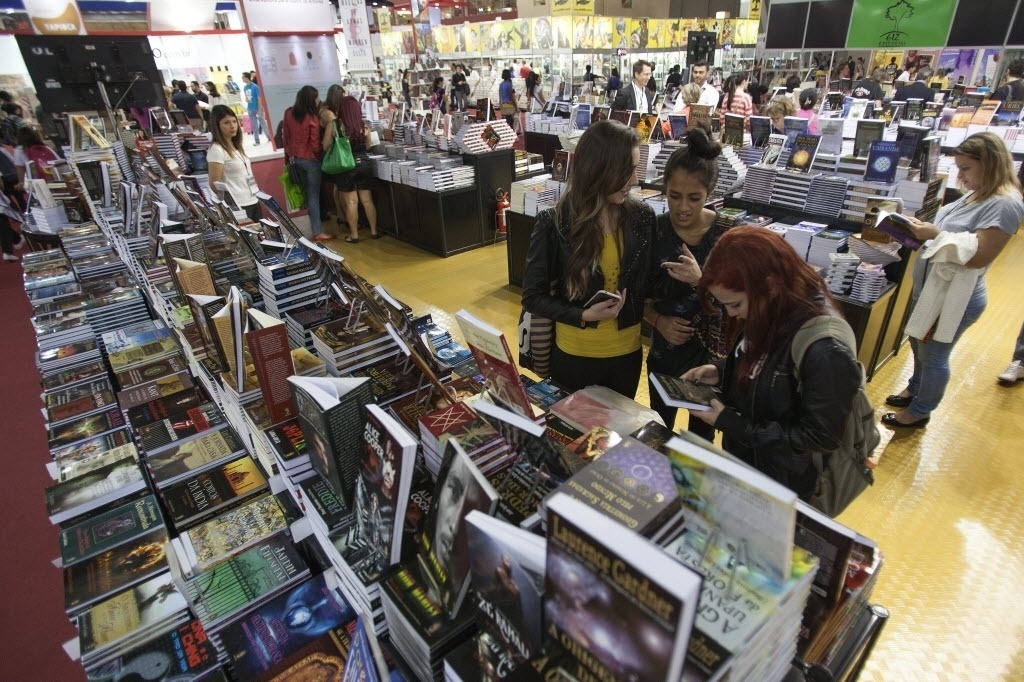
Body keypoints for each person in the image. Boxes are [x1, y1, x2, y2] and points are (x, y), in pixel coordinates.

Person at [682, 227, 862, 499]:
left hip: (785, 484)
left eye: (735, 305)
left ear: (770, 284)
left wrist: (734, 425)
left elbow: (820, 436)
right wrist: (721, 370)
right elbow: (762, 360)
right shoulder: (769, 306)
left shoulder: (825, 349)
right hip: (748, 465)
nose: (731, 314)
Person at [882, 132, 1024, 427]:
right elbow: (954, 232)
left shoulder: (1006, 204)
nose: (961, 175)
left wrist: (935, 235)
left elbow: (979, 256)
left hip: (953, 296)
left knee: (934, 355)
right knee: (919, 344)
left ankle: (920, 411)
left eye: (966, 168)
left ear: (989, 163)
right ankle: (916, 388)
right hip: (932, 288)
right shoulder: (979, 191)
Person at [521, 120, 656, 398]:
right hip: (573, 357)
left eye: (635, 169)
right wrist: (583, 315)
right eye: (626, 171)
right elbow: (532, 297)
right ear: (598, 170)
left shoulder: (643, 218)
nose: (634, 181)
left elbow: (650, 285)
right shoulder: (554, 222)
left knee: (619, 426)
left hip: (626, 357)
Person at [646, 126, 727, 438]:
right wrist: (658, 320)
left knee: (700, 440)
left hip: (712, 361)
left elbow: (743, 304)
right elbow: (633, 293)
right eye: (674, 196)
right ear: (664, 188)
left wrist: (701, 281)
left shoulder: (727, 235)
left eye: (694, 198)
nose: (682, 208)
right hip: (664, 352)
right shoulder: (654, 229)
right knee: (658, 429)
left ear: (710, 194)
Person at [327, 95, 380, 244]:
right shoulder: (363, 125)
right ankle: (374, 231)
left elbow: (325, 145)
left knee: (351, 203)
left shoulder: (335, 125)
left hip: (346, 166)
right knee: (367, 200)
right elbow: (368, 146)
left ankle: (354, 235)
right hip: (364, 164)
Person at [281, 85, 325, 240]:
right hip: (311, 161)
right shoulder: (312, 117)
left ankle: (315, 228)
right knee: (314, 196)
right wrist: (320, 156)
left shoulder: (288, 113)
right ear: (312, 99)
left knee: (307, 194)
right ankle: (318, 231)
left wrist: (288, 158)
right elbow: (315, 143)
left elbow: (286, 138)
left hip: (295, 159)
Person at [206, 105, 261, 223]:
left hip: (252, 199)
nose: (232, 126)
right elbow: (214, 184)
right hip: (238, 205)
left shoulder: (236, 146)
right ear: (217, 125)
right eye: (226, 122)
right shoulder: (216, 149)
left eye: (234, 121)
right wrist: (231, 205)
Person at [242, 72, 267, 145]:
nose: (242, 79)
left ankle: (269, 137)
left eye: (243, 77)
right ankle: (257, 140)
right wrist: (246, 100)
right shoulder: (245, 87)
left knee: (262, 123)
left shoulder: (255, 87)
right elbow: (247, 97)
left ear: (247, 77)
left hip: (257, 107)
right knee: (254, 125)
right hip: (250, 108)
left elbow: (259, 98)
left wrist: (259, 109)